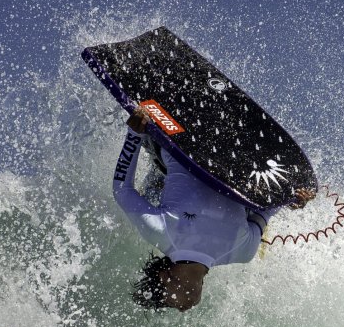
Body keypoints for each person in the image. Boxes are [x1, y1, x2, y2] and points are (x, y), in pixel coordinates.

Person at [113, 109, 314, 311]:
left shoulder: (160, 233)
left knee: (155, 185)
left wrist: (135, 134)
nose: (182, 310)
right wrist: (290, 197)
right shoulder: (242, 252)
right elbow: (268, 209)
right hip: (232, 163)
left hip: (175, 143)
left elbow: (122, 190)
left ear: (163, 277)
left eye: (169, 303)